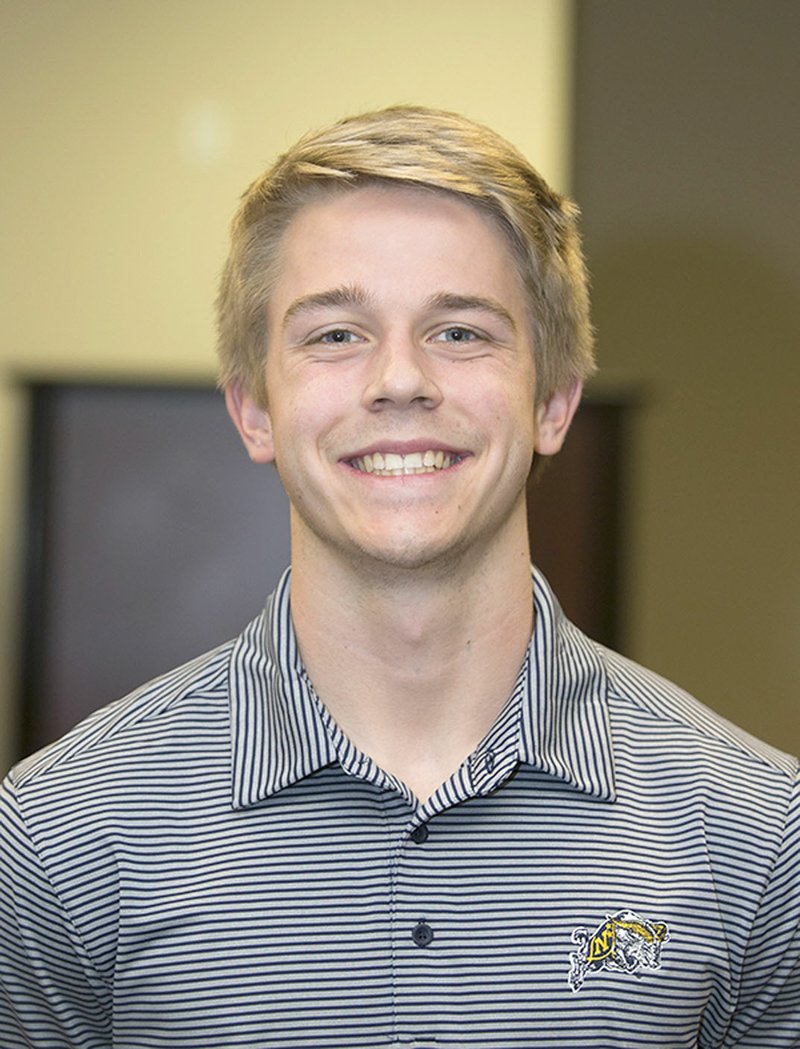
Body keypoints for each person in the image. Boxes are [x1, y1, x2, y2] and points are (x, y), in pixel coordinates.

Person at [1, 106, 798, 1048]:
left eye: (460, 332)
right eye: (336, 334)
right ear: (254, 409)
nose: (400, 379)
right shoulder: (61, 835)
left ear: (553, 401)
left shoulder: (755, 833)